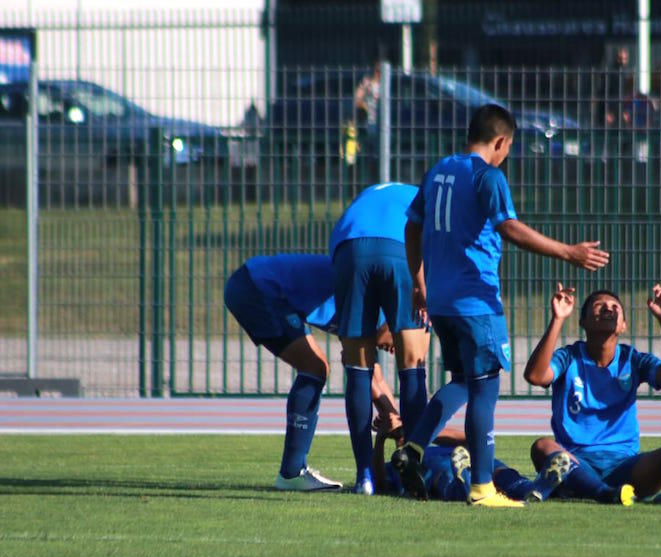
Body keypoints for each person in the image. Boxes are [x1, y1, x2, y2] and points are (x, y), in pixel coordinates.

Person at [393, 103, 610, 508]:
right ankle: (481, 487)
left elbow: (412, 225)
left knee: (461, 381)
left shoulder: (440, 170)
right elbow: (509, 228)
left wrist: (419, 282)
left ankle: (415, 446)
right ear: (500, 141)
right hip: (476, 301)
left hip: (440, 300)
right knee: (485, 388)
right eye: (508, 148)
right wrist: (569, 253)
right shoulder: (487, 176)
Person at [223, 253, 401, 492]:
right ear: (392, 321)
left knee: (315, 367)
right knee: (315, 367)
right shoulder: (369, 305)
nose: (395, 349)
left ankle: (293, 471)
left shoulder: (371, 307)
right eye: (398, 339)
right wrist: (396, 420)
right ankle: (292, 472)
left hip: (257, 286)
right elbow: (361, 368)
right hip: (256, 287)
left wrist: (395, 419)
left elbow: (371, 375)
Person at [523, 283, 661, 506]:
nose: (608, 309)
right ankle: (603, 492)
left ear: (623, 326)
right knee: (542, 446)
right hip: (575, 462)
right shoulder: (568, 357)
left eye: (614, 306)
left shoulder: (632, 359)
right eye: (599, 306)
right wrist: (558, 319)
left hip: (627, 467)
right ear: (583, 322)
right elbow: (536, 376)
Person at [331, 182, 431, 496]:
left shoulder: (368, 197)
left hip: (349, 248)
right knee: (413, 362)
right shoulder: (425, 198)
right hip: (401, 248)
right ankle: (412, 474)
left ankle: (364, 478)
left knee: (357, 368)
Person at [372, 419, 571, 504]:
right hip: (446, 467)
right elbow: (381, 484)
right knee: (447, 475)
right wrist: (380, 439)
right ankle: (465, 483)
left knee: (500, 472)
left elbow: (469, 438)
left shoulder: (439, 442)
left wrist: (421, 434)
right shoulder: (401, 467)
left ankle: (536, 489)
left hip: (472, 457)